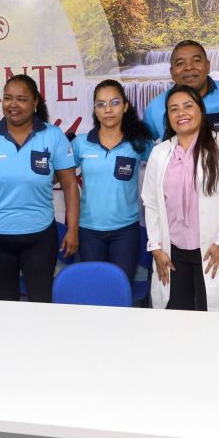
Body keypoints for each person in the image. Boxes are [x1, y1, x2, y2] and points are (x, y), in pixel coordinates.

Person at [0, 74, 79, 302]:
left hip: (40, 238)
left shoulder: (53, 136)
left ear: (35, 103)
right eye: (7, 98)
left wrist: (73, 230)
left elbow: (70, 185)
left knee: (41, 302)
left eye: (21, 99)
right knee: (5, 304)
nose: (13, 104)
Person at [141, 85, 219, 313]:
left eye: (188, 106)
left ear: (201, 110)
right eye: (173, 109)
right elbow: (150, 203)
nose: (181, 113)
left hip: (213, 250)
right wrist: (156, 248)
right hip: (173, 252)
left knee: (213, 318)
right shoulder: (160, 153)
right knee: (178, 318)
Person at [72, 79, 154, 284]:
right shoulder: (81, 143)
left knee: (120, 289)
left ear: (125, 106)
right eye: (101, 104)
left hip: (125, 231)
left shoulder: (139, 142)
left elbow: (163, 169)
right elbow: (61, 178)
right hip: (88, 231)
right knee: (93, 289)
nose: (108, 109)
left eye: (115, 102)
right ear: (95, 110)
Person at [143, 40, 219, 140]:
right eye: (180, 63)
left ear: (208, 66)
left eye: (196, 60)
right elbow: (144, 147)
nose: (188, 67)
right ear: (171, 72)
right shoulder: (155, 107)